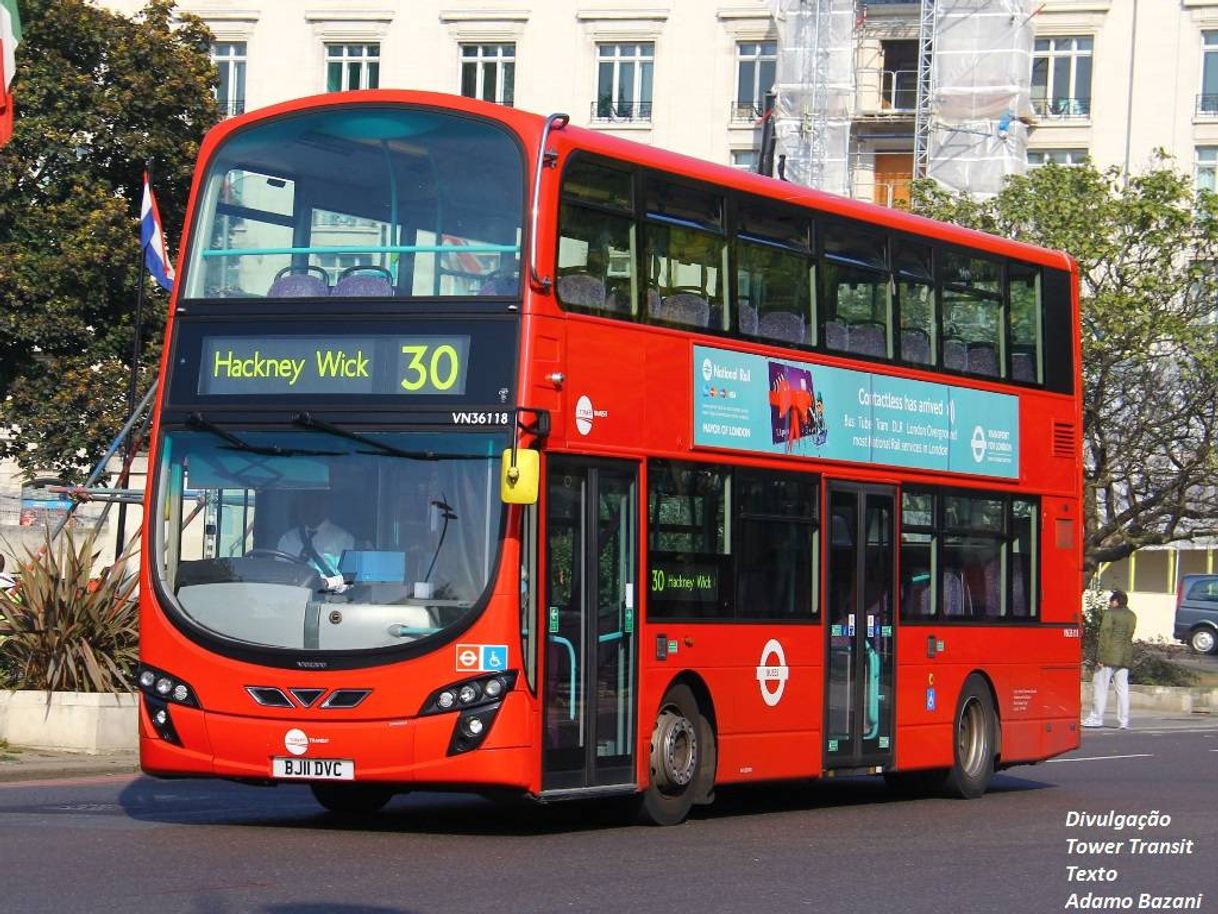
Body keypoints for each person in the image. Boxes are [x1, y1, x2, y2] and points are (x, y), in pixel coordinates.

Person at [1083, 590, 1137, 729]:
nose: (1110, 603)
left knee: (1100, 687)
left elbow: (1105, 635)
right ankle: (1123, 720)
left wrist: (1100, 656)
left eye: (1111, 601)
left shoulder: (1110, 614)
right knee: (1122, 689)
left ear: (1116, 601)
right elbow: (1129, 634)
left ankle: (1096, 717)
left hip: (1109, 655)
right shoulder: (1132, 616)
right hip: (1125, 655)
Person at [276, 491, 355, 579]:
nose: (304, 508)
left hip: (324, 591)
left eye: (309, 503)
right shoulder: (287, 538)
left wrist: (327, 584)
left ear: (324, 505)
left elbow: (348, 579)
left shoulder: (344, 539)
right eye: (302, 503)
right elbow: (278, 575)